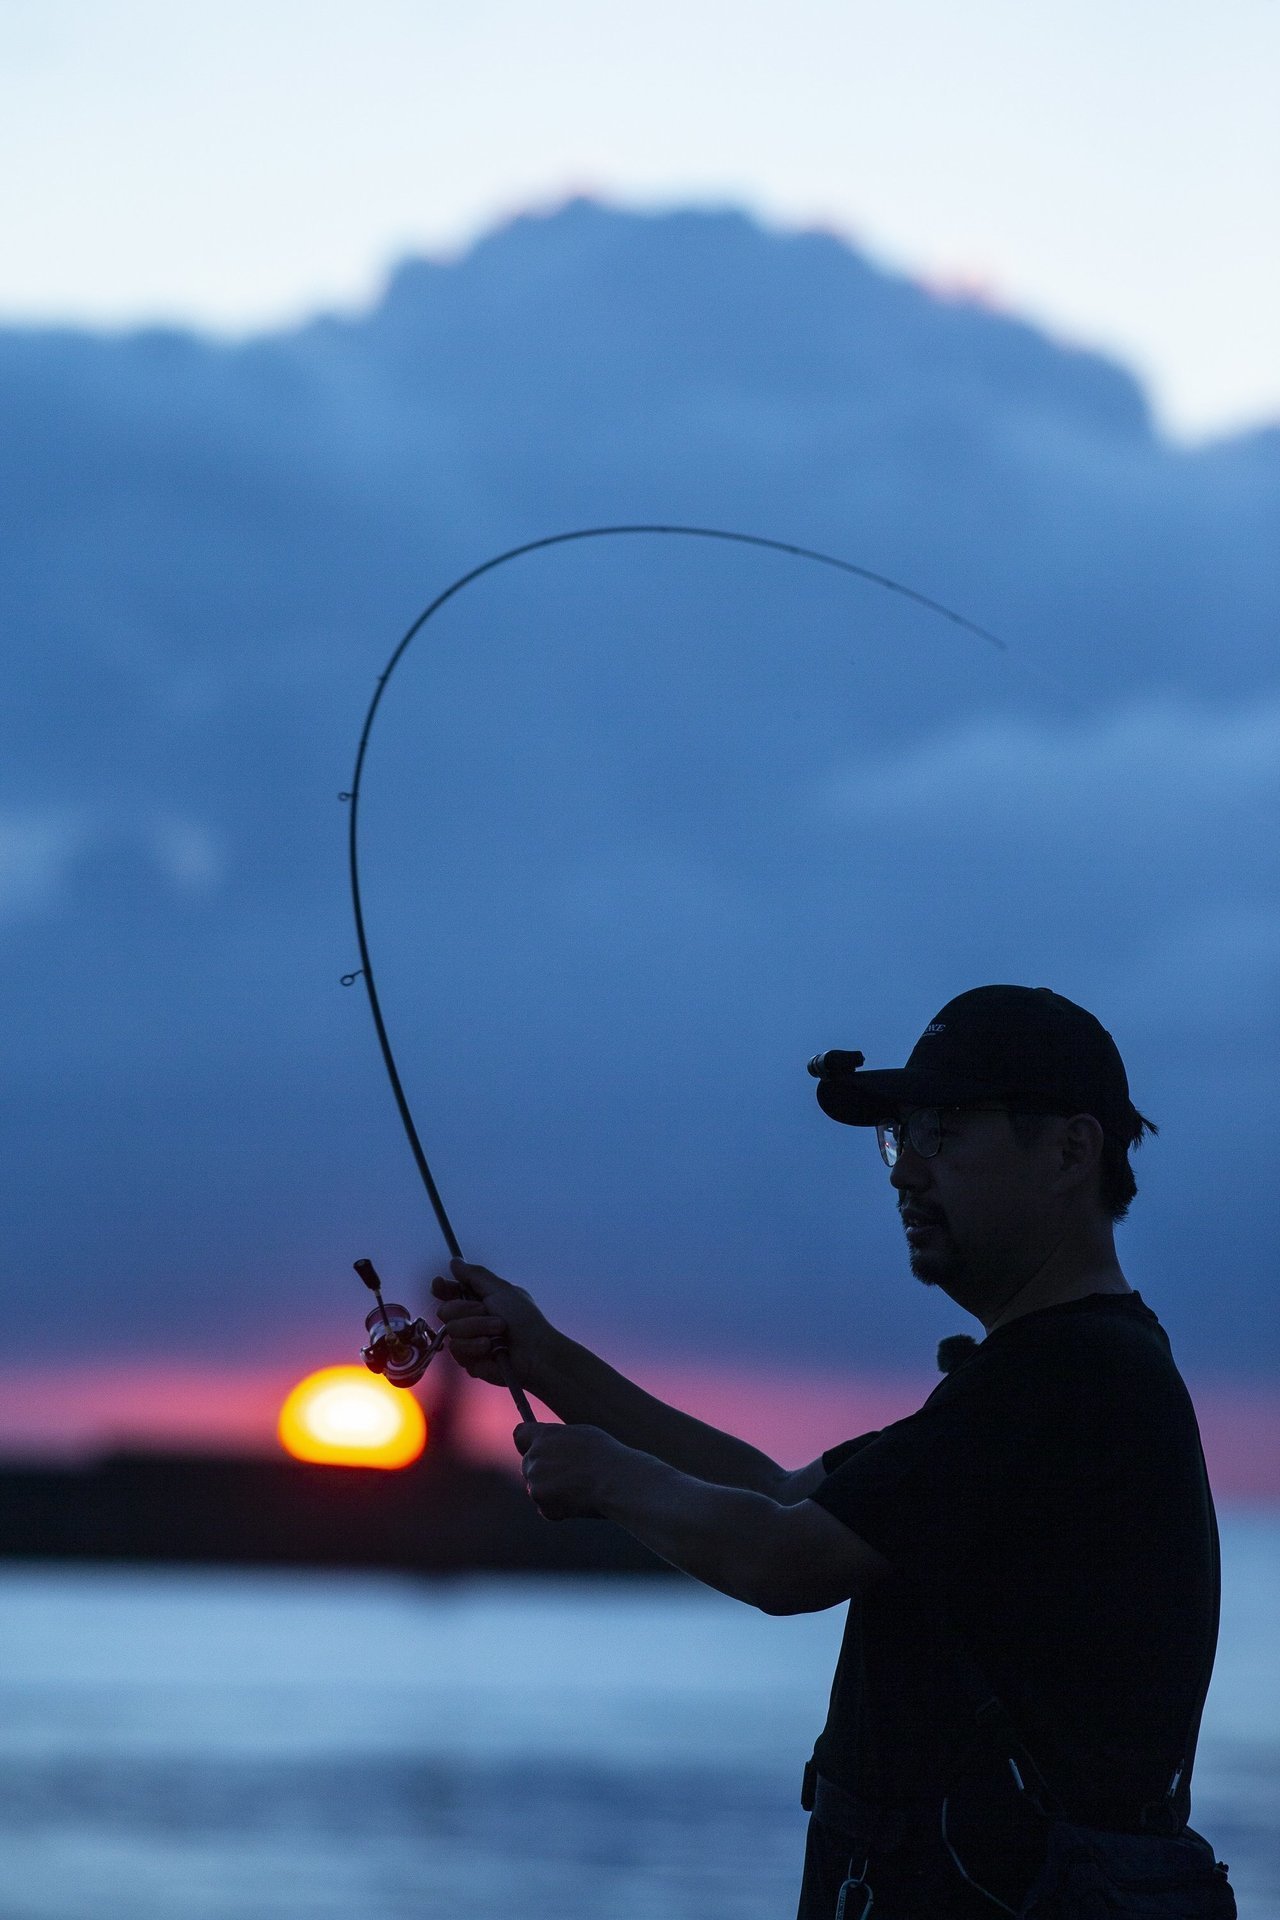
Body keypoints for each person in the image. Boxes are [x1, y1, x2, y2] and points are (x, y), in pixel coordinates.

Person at [432, 984, 1226, 1918]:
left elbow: (781, 1558)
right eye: (899, 1137)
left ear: (1069, 1151)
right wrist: (545, 1358)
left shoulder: (1072, 1378)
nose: (902, 1173)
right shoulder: (1047, 1377)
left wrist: (605, 1477)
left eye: (942, 1134)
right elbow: (776, 1495)